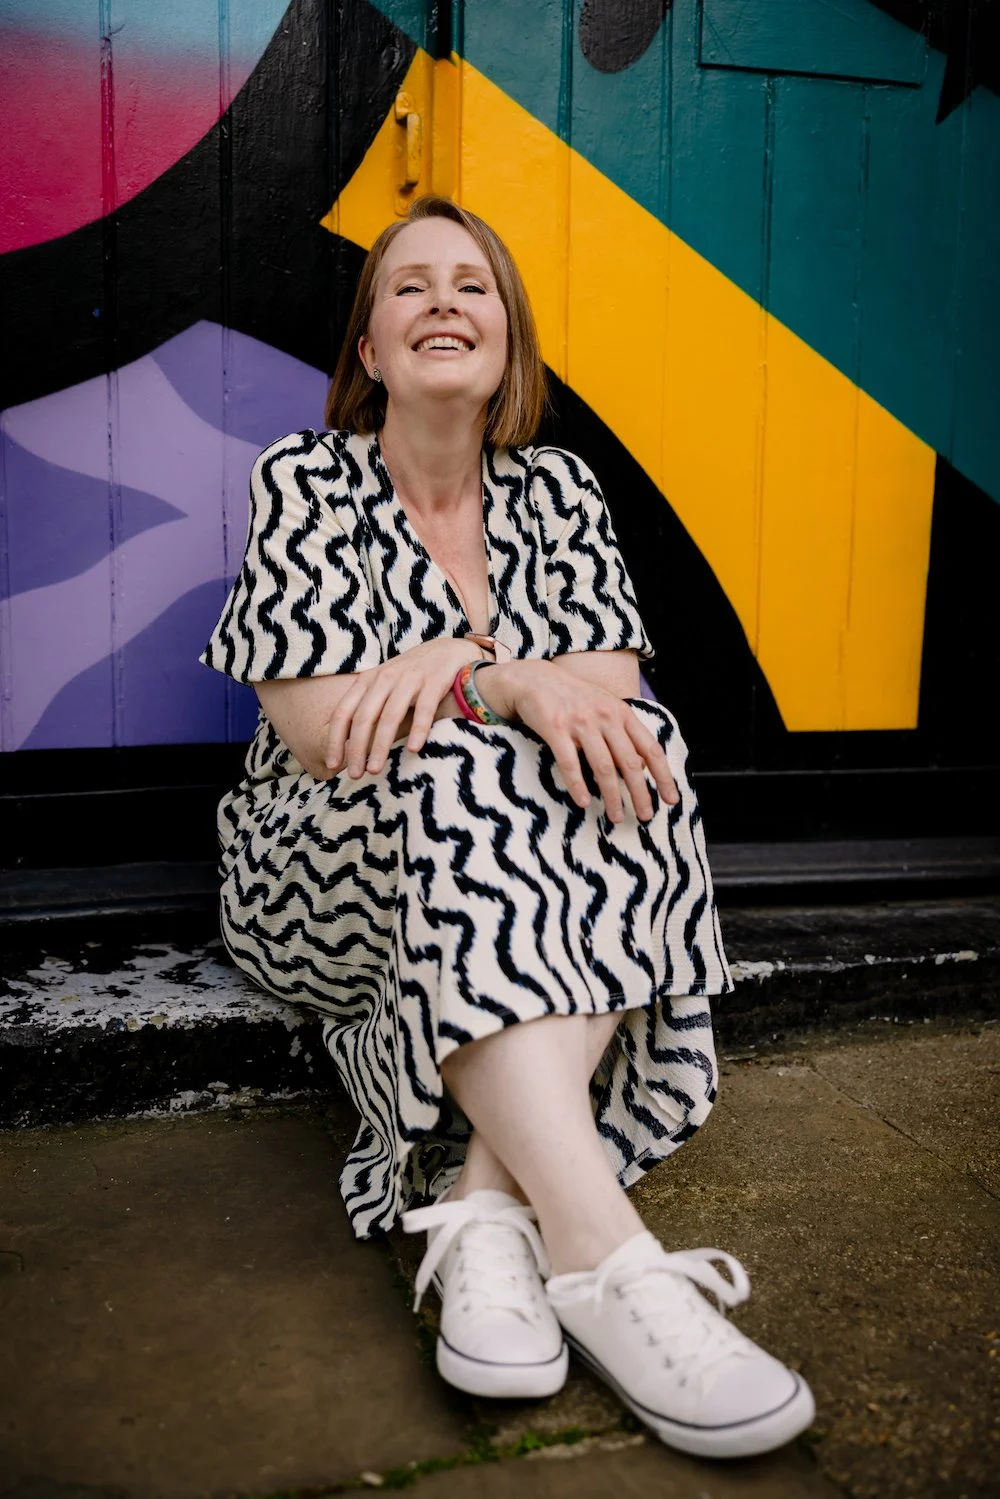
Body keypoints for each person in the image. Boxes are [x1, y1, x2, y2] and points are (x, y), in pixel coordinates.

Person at [201, 195, 814, 1459]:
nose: (442, 302)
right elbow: (330, 734)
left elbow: (612, 703)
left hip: (512, 877)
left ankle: (488, 1211)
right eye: (409, 286)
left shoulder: (558, 491)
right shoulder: (304, 478)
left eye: (471, 286)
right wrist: (511, 677)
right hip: (320, 870)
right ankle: (613, 1260)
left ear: (508, 343)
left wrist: (461, 663)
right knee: (466, 765)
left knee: (635, 756)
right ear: (368, 351)